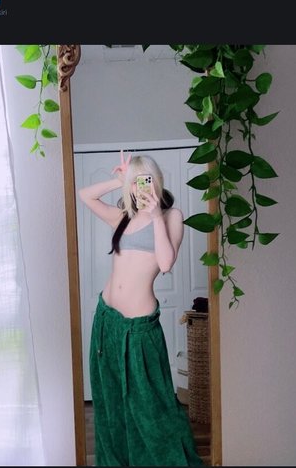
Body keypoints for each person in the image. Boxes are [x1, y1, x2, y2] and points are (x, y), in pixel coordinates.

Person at [78, 151, 203, 466]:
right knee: (109, 400)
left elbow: (166, 262)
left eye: (144, 179)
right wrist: (118, 181)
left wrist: (156, 215)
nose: (139, 187)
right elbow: (85, 195)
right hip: (106, 320)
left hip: (138, 329)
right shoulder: (123, 217)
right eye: (134, 182)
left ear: (156, 180)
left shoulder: (172, 216)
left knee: (152, 406)